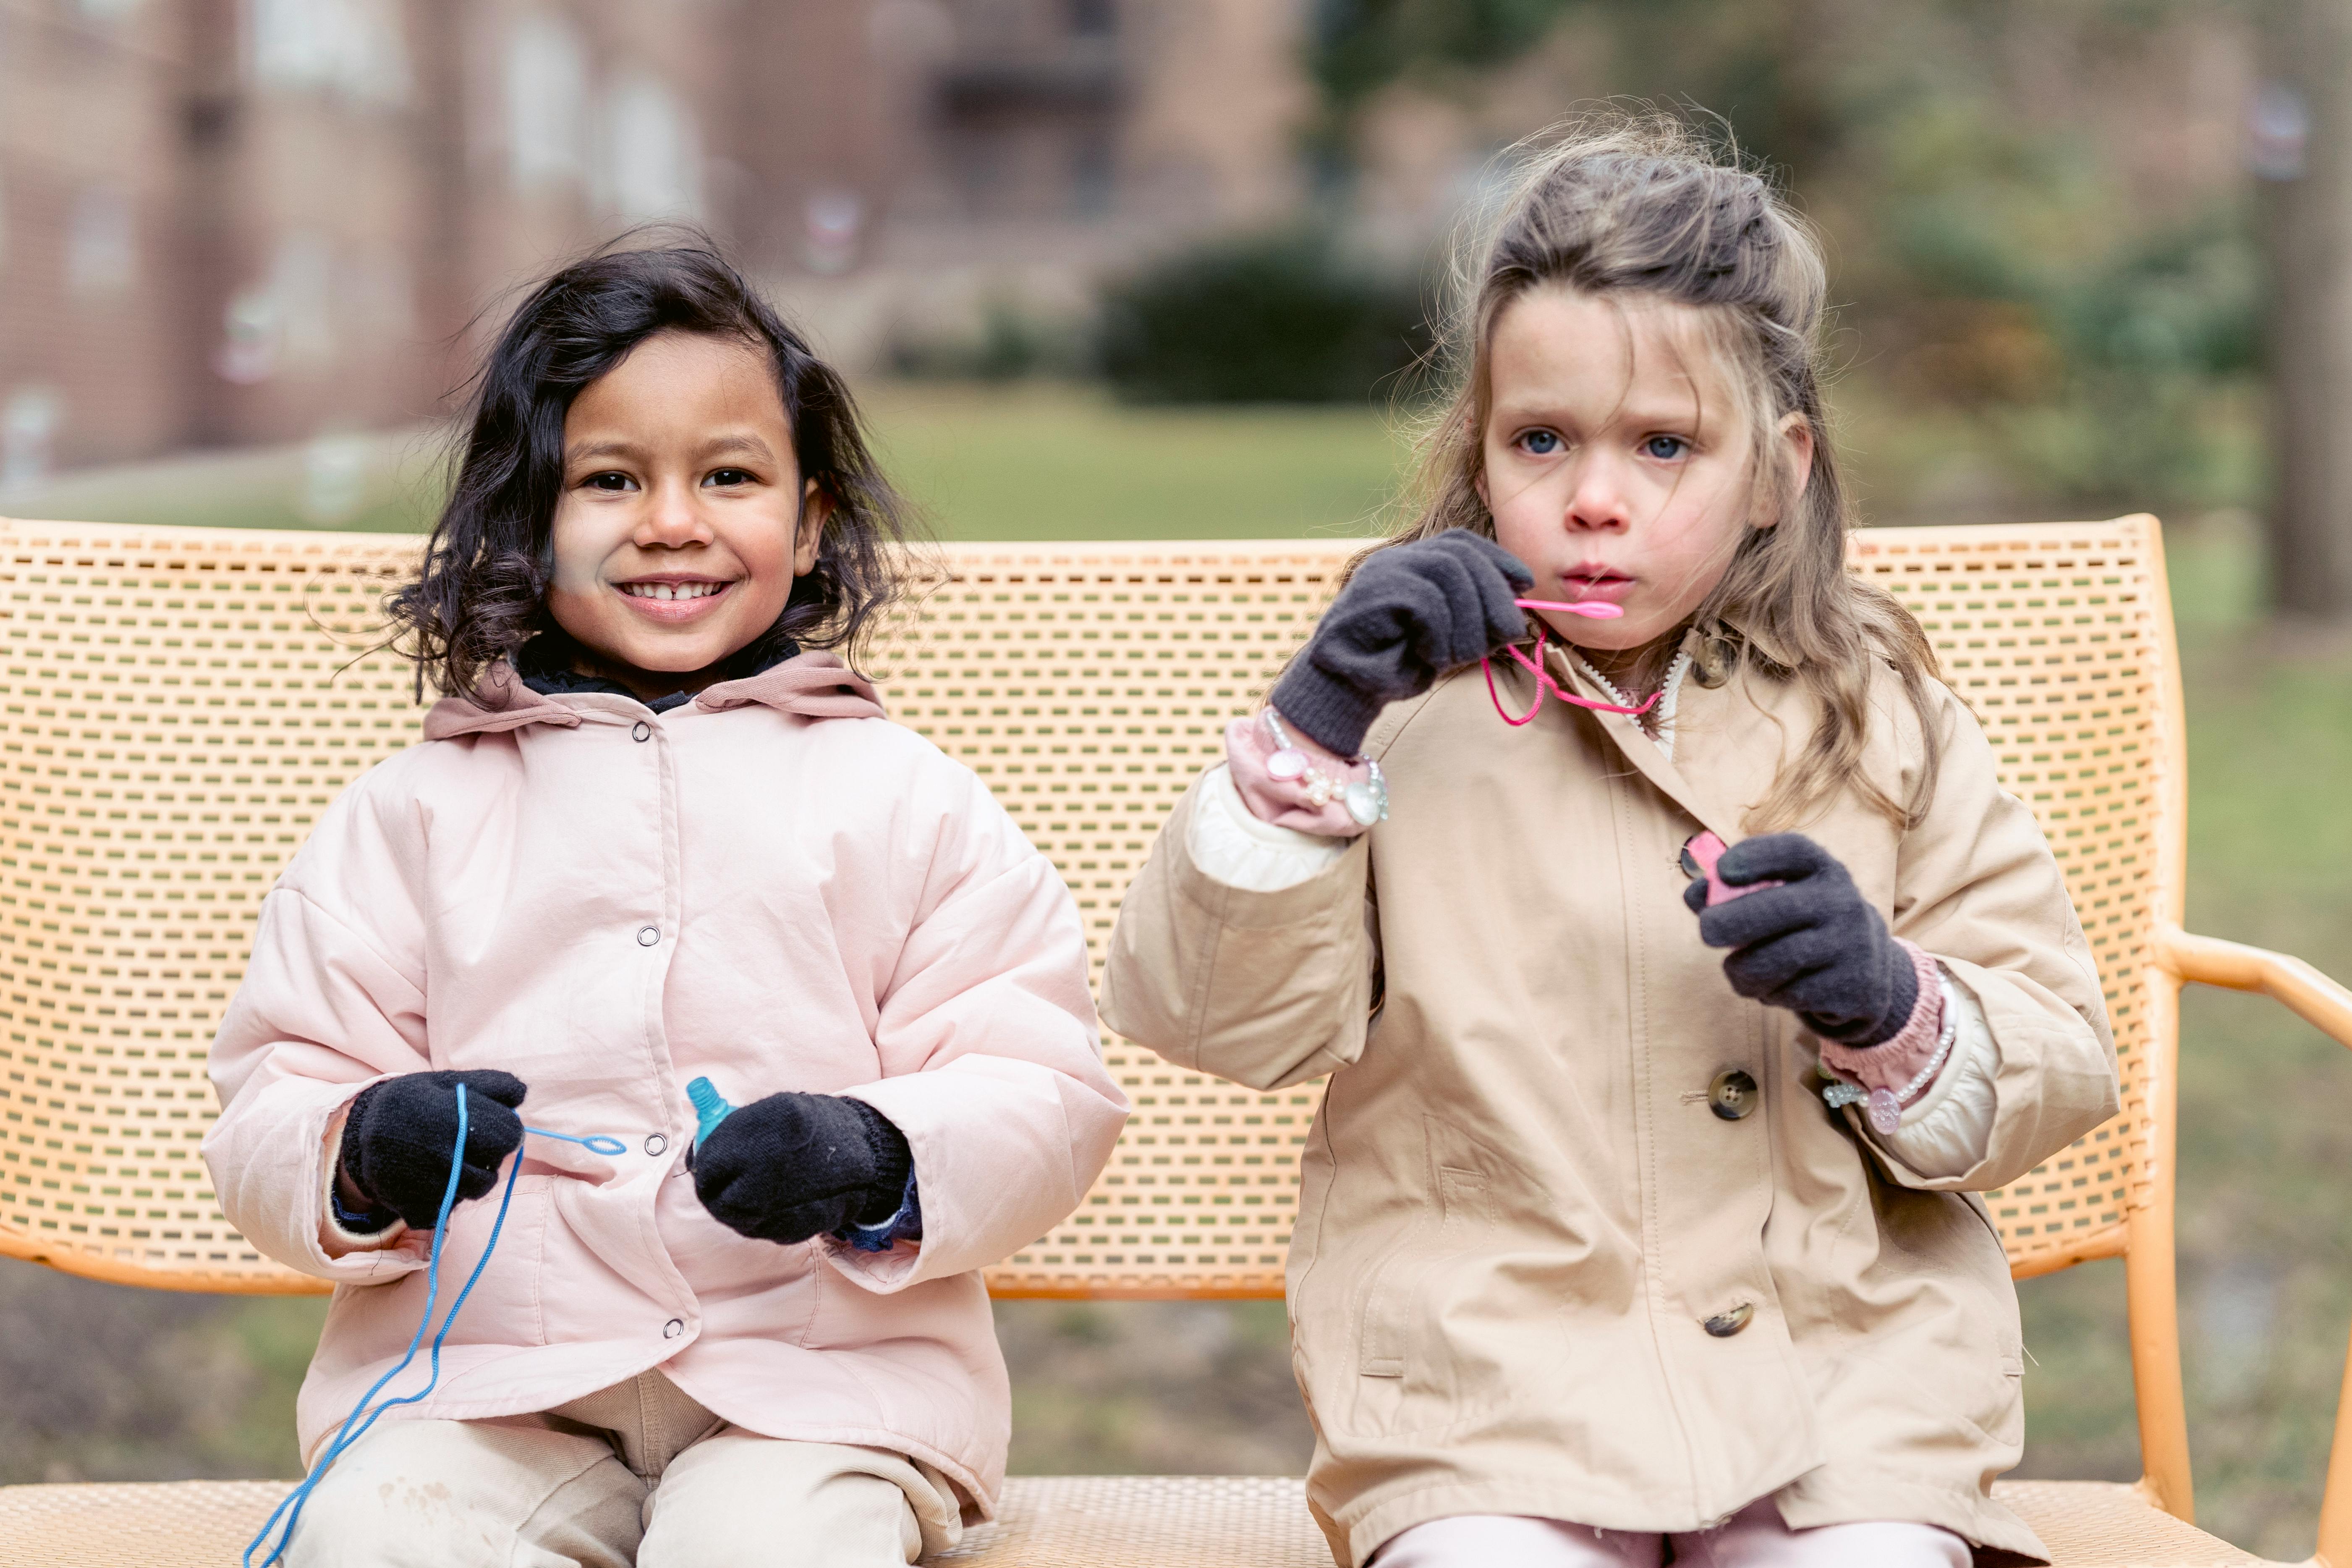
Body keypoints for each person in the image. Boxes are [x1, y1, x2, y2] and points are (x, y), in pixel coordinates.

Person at [1101, 117, 2117, 1568]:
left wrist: (1890, 1007)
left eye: (1661, 446)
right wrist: (1317, 724)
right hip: (1487, 1392)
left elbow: (2056, 1059)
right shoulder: (1397, 712)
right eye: (1541, 440)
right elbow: (1211, 1022)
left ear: (1776, 470)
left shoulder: (1880, 717)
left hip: (1840, 1383)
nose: (1591, 498)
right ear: (1479, 450)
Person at [204, 241, 1128, 1568]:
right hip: (488, 1389)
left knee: (769, 1548)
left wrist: (874, 1151)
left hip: (811, 1398)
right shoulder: (412, 814)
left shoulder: (906, 800)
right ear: (528, 517)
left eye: (730, 477)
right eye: (611, 480)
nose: (673, 522)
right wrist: (359, 1150)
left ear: (810, 522)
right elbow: (274, 1092)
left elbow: (1037, 1086)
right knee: (369, 1536)